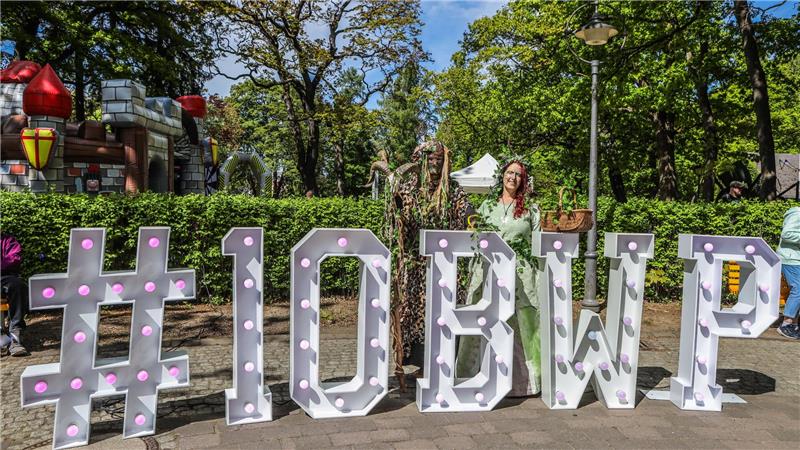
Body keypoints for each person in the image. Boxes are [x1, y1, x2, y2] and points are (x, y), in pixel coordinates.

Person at [382, 140, 470, 389]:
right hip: (417, 267)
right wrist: (396, 205)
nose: (435, 163)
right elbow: (401, 222)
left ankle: (441, 364)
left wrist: (471, 219)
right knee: (416, 315)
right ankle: (421, 366)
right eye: (430, 159)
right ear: (421, 161)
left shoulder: (452, 189)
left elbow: (465, 214)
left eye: (438, 159)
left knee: (445, 313)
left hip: (446, 266)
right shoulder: (410, 188)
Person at [456, 159, 541, 396]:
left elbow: (537, 245)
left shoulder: (531, 210)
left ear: (523, 181)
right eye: (509, 172)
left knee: (518, 324)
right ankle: (472, 377)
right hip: (489, 272)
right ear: (502, 175)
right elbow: (475, 237)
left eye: (518, 174)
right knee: (483, 321)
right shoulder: (486, 206)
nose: (513, 177)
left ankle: (521, 384)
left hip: (520, 275)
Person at [1, 233, 30, 356]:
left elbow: (13, 259)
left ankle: (15, 335)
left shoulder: (9, 241)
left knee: (18, 286)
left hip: (5, 277)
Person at [776, 206, 800, 339]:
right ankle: (786, 324)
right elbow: (786, 234)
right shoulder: (797, 213)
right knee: (798, 289)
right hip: (791, 258)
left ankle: (794, 324)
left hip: (796, 258)